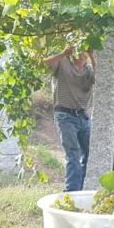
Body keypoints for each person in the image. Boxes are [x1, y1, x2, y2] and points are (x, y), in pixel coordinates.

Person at [43, 45, 96, 192]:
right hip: (65, 114)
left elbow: (101, 78)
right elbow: (44, 64)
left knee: (89, 153)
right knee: (73, 153)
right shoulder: (63, 62)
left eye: (85, 55)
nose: (81, 57)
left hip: (83, 116)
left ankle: (83, 190)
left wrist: (93, 57)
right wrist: (62, 53)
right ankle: (72, 192)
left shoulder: (89, 70)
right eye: (80, 53)